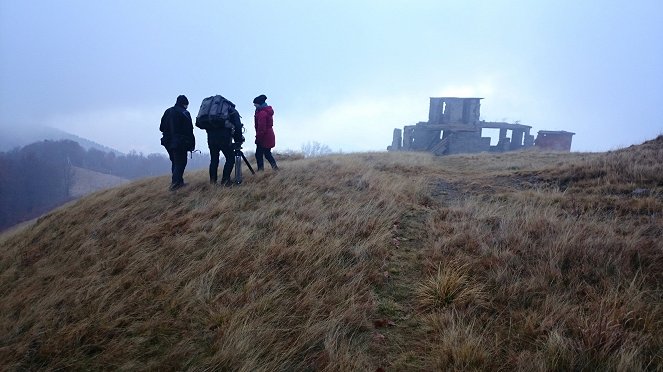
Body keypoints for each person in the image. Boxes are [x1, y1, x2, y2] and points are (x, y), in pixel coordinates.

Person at [203, 98, 244, 186]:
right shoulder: (232, 110)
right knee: (230, 158)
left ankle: (213, 182)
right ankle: (225, 181)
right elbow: (237, 126)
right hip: (224, 138)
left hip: (211, 138)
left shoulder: (212, 112)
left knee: (214, 159)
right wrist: (238, 140)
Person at [160, 95, 195, 191]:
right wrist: (192, 144)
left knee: (175, 162)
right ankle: (175, 185)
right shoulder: (185, 113)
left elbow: (161, 127)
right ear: (185, 104)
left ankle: (179, 182)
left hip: (167, 142)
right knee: (181, 162)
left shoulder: (168, 111)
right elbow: (189, 130)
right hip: (180, 142)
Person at [253, 94, 278, 171]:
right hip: (269, 135)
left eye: (255, 104)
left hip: (264, 136)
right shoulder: (264, 111)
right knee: (267, 154)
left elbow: (261, 128)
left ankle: (261, 171)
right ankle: (275, 169)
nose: (254, 106)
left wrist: (258, 139)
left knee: (259, 155)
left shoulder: (262, 113)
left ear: (259, 104)